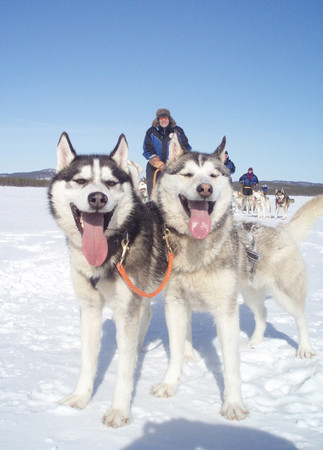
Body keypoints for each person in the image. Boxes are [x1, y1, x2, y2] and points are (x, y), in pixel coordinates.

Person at [143, 108, 191, 197]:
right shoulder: (151, 132)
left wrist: (177, 161)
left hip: (173, 167)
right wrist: (158, 163)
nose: (163, 120)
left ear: (169, 119)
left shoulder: (178, 131)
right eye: (161, 118)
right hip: (154, 168)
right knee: (153, 194)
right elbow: (147, 148)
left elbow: (186, 147)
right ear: (158, 120)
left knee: (173, 194)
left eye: (165, 118)